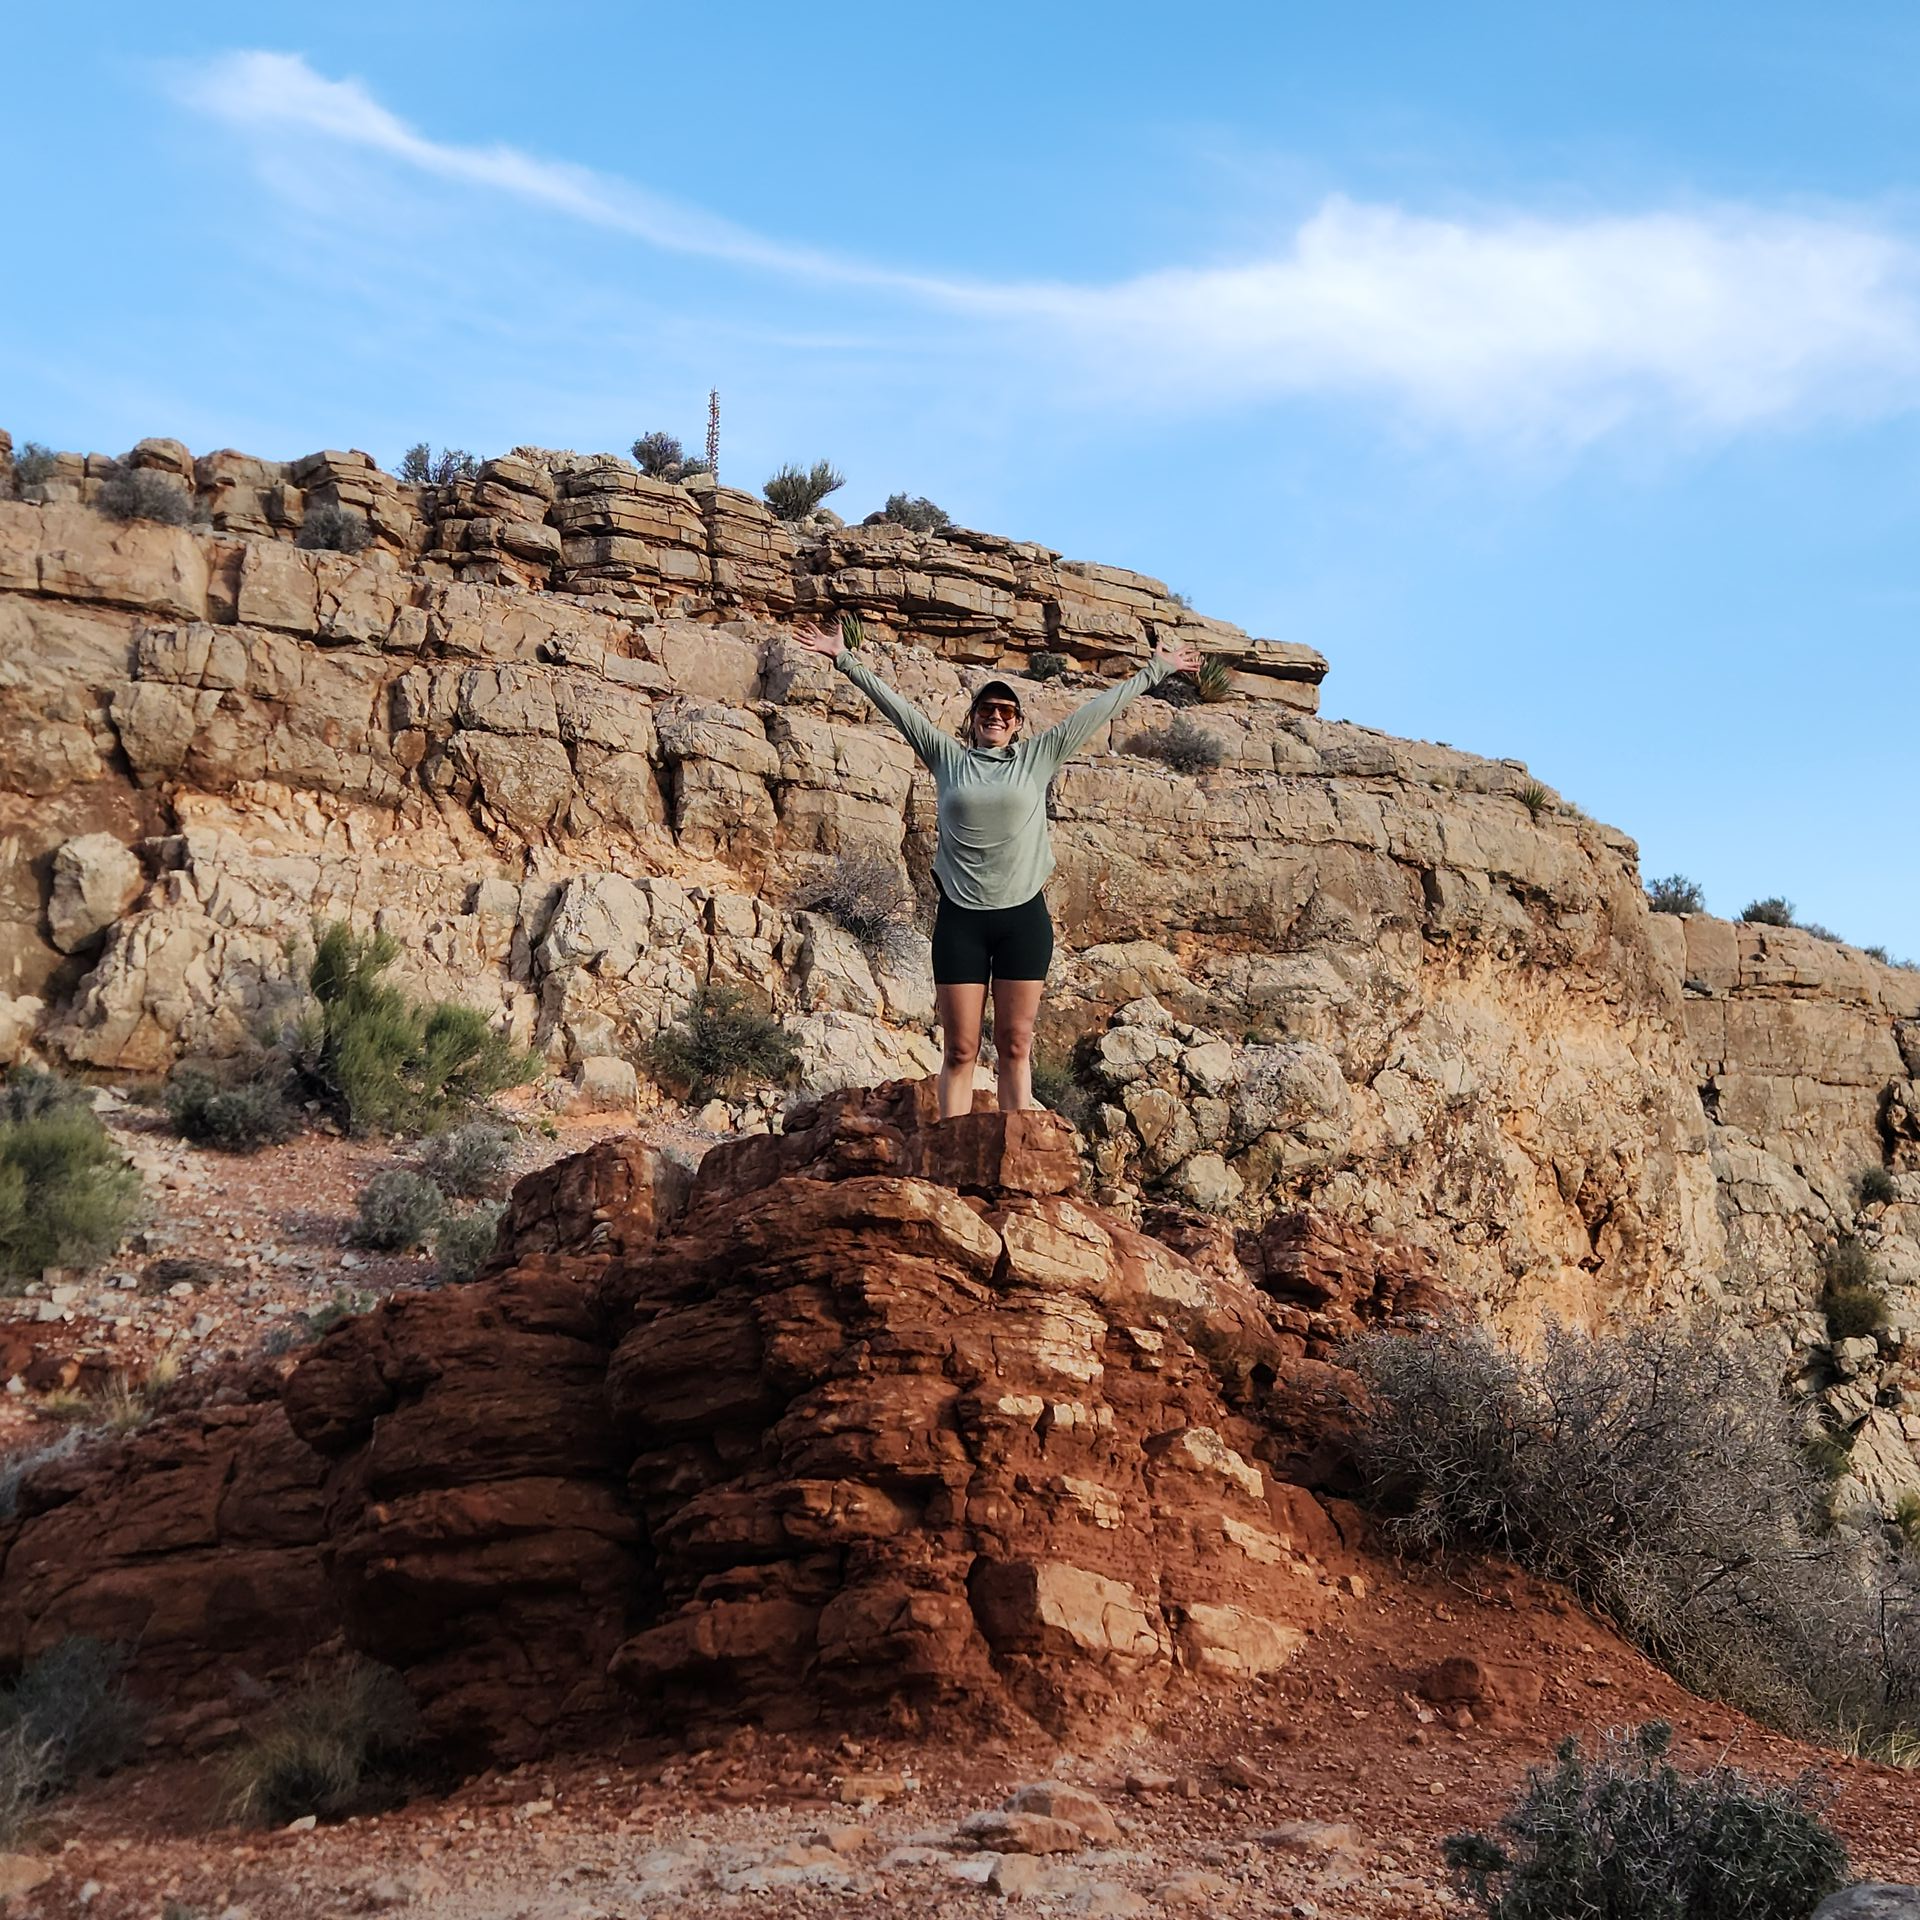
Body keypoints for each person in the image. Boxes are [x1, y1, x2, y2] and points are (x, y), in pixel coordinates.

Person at [792, 621, 1202, 1118]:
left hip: (1022, 920)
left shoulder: (1037, 756)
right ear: (973, 719)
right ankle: (949, 1154)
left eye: (1006, 712)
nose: (996, 716)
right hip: (961, 921)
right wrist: (843, 657)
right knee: (961, 1050)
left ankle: (1016, 1152)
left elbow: (1097, 711)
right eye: (987, 709)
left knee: (1015, 1046)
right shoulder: (947, 758)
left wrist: (1155, 670)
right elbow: (898, 711)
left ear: (1016, 724)